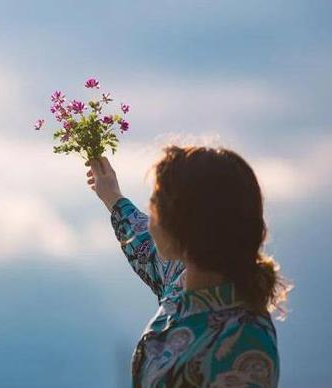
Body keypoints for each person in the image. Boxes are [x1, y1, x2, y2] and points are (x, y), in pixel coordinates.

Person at [84, 145, 292, 388]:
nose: (151, 220)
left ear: (183, 224)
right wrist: (112, 196)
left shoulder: (245, 342)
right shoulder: (183, 280)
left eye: (155, 205)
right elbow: (145, 246)